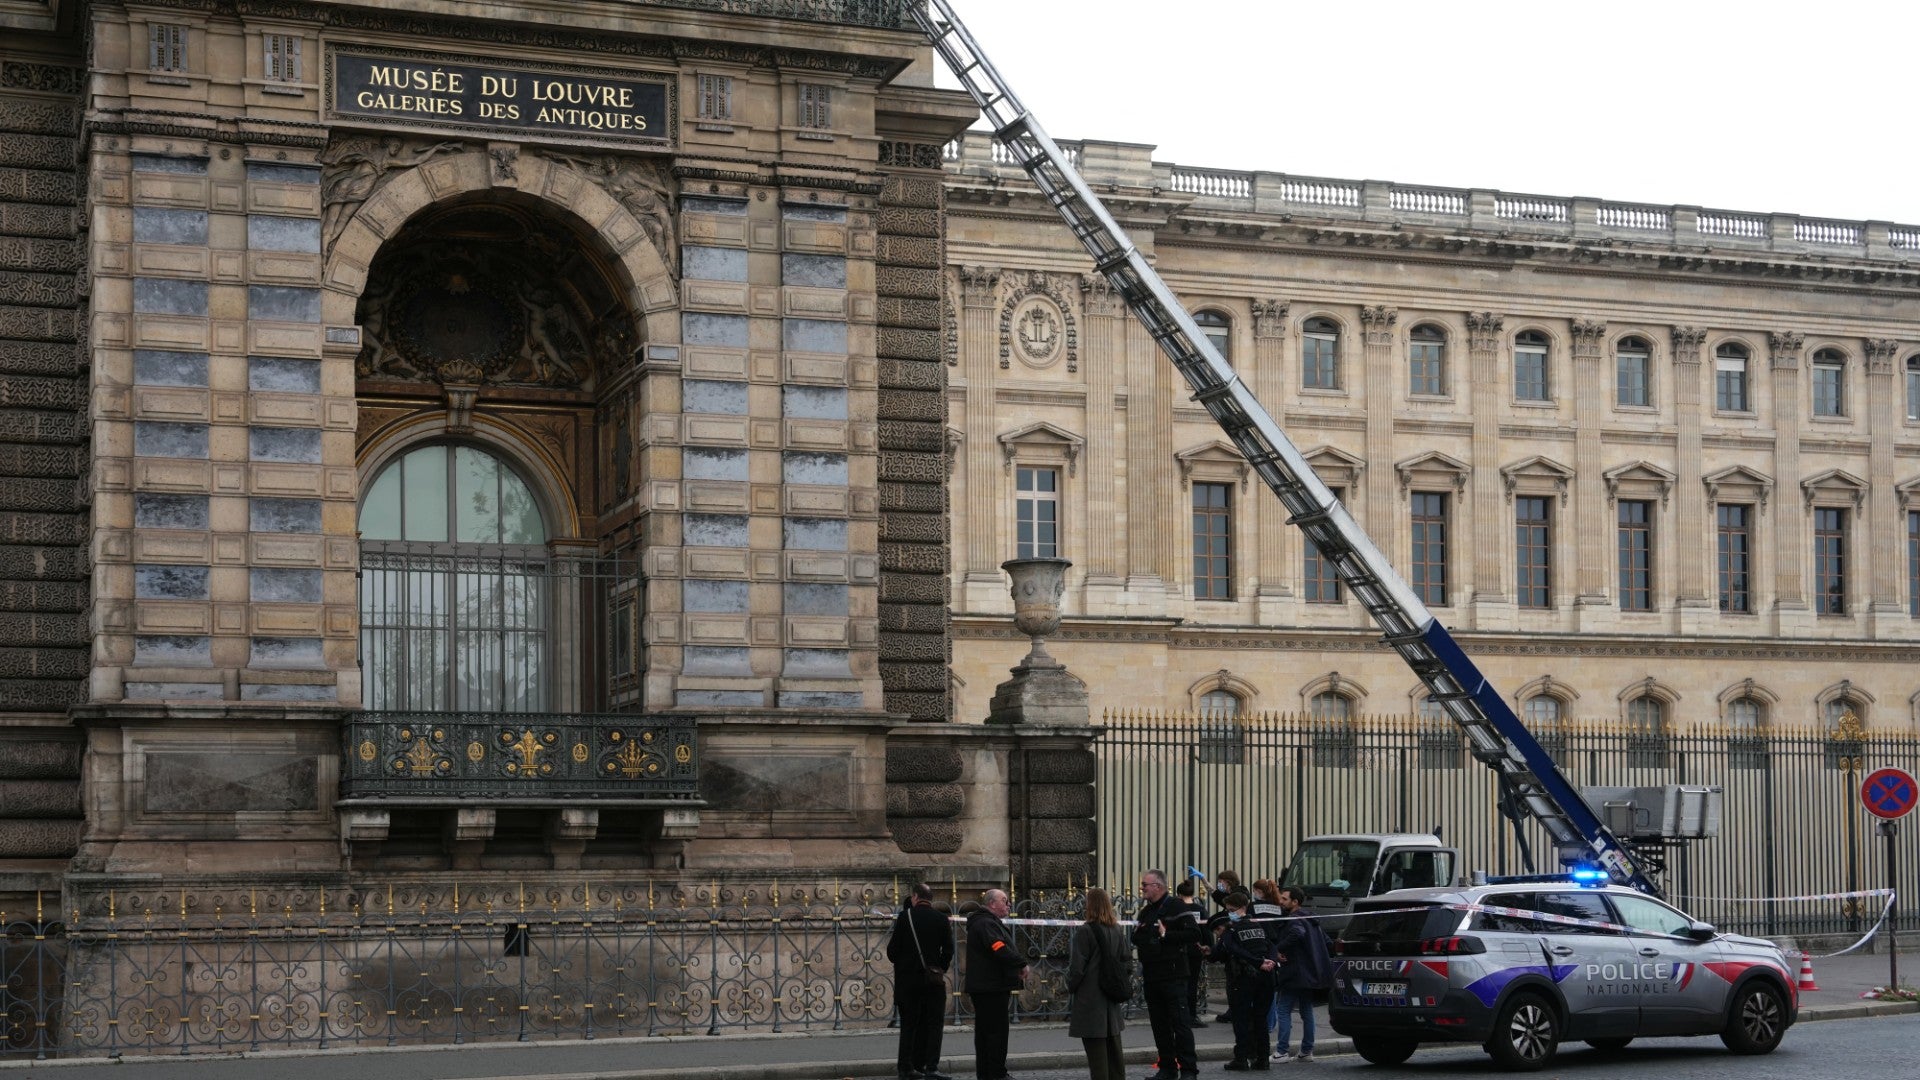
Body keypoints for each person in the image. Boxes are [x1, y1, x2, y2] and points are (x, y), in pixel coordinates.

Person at [1131, 869, 1201, 1080]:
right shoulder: (1146, 911)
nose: (1142, 888)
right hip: (1152, 974)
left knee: (1180, 1024)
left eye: (1145, 884)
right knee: (1159, 1025)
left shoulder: (1176, 906)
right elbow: (1137, 937)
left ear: (1158, 887)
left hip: (1173, 975)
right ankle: (1167, 1068)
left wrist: (1166, 935)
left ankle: (1189, 1070)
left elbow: (1194, 933)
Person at [888, 882, 956, 1080]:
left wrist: (905, 964)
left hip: (908, 981)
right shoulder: (941, 919)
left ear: (915, 897)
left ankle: (906, 1067)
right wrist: (938, 968)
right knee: (934, 1024)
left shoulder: (905, 917)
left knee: (909, 1025)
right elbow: (949, 951)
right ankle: (931, 1066)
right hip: (933, 981)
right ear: (930, 899)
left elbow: (892, 951)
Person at [1066, 887, 1132, 1080]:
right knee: (1114, 1053)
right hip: (1110, 998)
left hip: (1091, 997)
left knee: (1097, 1057)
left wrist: (1070, 986)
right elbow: (1127, 961)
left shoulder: (1086, 931)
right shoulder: (1117, 929)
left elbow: (1077, 967)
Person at [965, 888, 1029, 1080]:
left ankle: (987, 1073)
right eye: (1005, 900)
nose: (1009, 904)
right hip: (990, 987)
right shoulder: (986, 923)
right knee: (995, 1033)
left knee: (986, 1033)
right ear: (992, 903)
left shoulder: (987, 922)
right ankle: (996, 1073)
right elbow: (998, 947)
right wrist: (1020, 962)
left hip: (989, 986)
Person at [1215, 893, 1277, 1070]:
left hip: (1243, 976)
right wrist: (1270, 961)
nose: (1229, 914)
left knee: (1241, 1019)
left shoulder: (1232, 930)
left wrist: (1260, 962)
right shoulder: (1259, 926)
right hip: (1266, 975)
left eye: (1231, 910)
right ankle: (1263, 1059)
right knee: (1260, 1019)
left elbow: (1233, 949)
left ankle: (1241, 1058)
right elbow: (1271, 945)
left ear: (1242, 908)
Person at [1269, 886, 1325, 1064]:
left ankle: (1282, 1051)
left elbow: (1297, 934)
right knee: (1306, 1010)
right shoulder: (1310, 918)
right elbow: (1327, 941)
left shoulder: (1294, 919)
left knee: (1283, 1009)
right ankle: (1306, 1050)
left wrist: (1278, 949)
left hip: (1294, 972)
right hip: (1308, 972)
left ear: (1295, 902)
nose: (1281, 901)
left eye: (1285, 899)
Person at [1173, 878, 1208, 1027]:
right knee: (1193, 983)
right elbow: (1206, 931)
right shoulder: (1200, 909)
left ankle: (1179, 1014)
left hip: (1180, 950)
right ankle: (1192, 1015)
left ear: (1179, 894)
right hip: (1196, 950)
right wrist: (1207, 947)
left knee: (1179, 983)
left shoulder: (1177, 909)